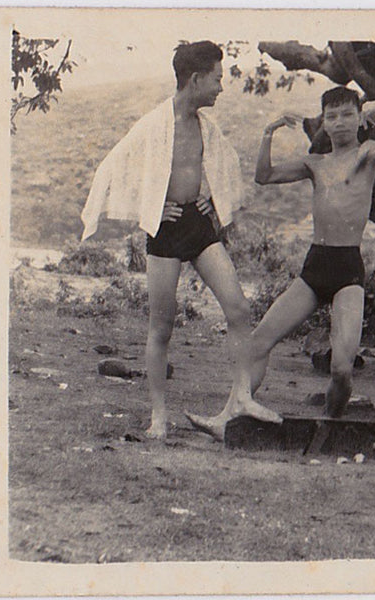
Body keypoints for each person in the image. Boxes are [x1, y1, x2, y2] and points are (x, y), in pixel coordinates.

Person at [186, 86, 375, 440]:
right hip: (315, 267)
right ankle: (229, 416)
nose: (339, 123)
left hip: (348, 270)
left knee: (341, 369)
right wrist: (268, 132)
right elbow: (265, 176)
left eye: (347, 114)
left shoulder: (367, 154)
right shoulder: (315, 163)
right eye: (332, 116)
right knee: (259, 341)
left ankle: (329, 429)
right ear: (323, 122)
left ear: (358, 119)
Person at [81, 41, 282, 440]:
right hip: (166, 230)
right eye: (217, 79)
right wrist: (149, 209)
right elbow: (113, 167)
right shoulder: (156, 124)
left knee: (239, 309)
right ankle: (159, 420)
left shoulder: (207, 125)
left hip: (198, 224)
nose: (221, 88)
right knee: (162, 327)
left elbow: (225, 162)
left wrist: (214, 196)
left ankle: (240, 399)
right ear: (195, 79)